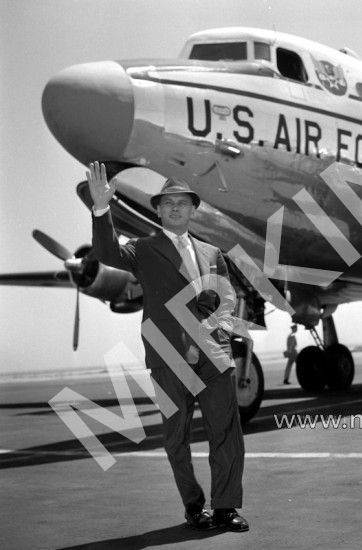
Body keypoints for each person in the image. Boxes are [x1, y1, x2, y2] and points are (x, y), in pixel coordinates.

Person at [87, 162, 248, 532]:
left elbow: (227, 300)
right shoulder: (142, 249)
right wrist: (101, 209)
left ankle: (225, 508)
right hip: (167, 356)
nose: (175, 208)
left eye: (182, 203)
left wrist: (214, 339)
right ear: (158, 210)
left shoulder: (212, 253)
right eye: (168, 203)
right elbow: (108, 253)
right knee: (176, 437)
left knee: (227, 433)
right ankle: (195, 507)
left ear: (194, 209)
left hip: (213, 356)